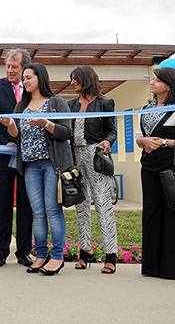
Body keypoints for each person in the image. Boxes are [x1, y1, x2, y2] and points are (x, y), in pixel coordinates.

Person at [0, 63, 71, 276]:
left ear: (41, 78)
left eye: (29, 77)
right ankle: (40, 254)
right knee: (37, 212)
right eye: (24, 78)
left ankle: (57, 257)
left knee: (52, 210)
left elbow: (67, 131)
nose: (25, 81)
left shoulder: (56, 102)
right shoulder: (22, 106)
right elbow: (15, 135)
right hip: (29, 166)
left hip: (51, 164)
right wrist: (10, 124)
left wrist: (46, 124)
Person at [136, 67, 175, 280]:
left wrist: (162, 141)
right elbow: (138, 135)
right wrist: (144, 140)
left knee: (172, 214)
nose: (152, 82)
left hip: (169, 169)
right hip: (148, 168)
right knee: (150, 213)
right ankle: (151, 266)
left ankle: (173, 269)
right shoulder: (146, 108)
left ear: (169, 86)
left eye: (157, 80)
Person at [0, 49, 34, 267]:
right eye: (8, 66)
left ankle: (23, 252)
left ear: (24, 69)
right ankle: (1, 251)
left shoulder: (33, 88)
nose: (10, 70)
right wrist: (5, 142)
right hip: (2, 156)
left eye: (15, 67)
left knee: (26, 204)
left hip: (28, 156)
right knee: (2, 203)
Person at [67, 66, 118, 274]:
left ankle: (110, 255)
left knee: (103, 203)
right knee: (81, 204)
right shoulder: (70, 105)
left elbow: (112, 130)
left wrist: (107, 141)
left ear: (86, 79)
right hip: (75, 156)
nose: (72, 83)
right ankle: (85, 252)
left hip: (96, 154)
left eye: (75, 79)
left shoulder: (105, 103)